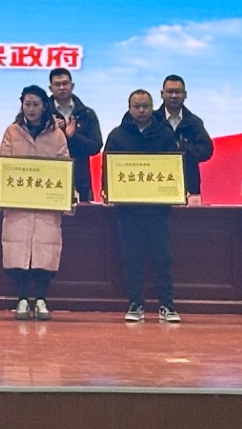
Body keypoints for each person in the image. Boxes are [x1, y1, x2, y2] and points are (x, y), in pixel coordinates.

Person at [103, 89, 179, 323]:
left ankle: (166, 305)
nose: (142, 110)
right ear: (129, 108)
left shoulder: (165, 134)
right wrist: (108, 190)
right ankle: (135, 303)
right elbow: (107, 167)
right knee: (132, 258)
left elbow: (175, 166)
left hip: (158, 210)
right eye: (137, 106)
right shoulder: (117, 135)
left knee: (163, 258)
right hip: (129, 210)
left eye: (146, 106)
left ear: (152, 107)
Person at [0, 85, 71, 321]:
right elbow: (3, 165)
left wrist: (67, 197)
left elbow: (64, 166)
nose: (31, 109)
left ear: (44, 106)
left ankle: (40, 299)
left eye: (36, 104)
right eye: (27, 104)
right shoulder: (12, 131)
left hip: (46, 205)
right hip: (17, 204)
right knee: (17, 252)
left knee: (44, 252)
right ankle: (21, 299)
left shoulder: (57, 135)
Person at [48, 67, 103, 202]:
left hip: (81, 180)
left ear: (72, 86)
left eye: (65, 83)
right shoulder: (43, 114)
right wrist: (50, 130)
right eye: (57, 84)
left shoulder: (87, 114)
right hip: (50, 178)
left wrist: (74, 137)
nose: (62, 88)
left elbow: (96, 146)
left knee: (83, 215)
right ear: (50, 88)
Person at [158, 74, 214, 200]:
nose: (174, 96)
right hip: (157, 183)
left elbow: (206, 150)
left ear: (185, 95)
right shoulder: (153, 121)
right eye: (170, 92)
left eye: (178, 92)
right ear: (162, 94)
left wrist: (181, 148)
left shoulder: (194, 122)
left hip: (189, 186)